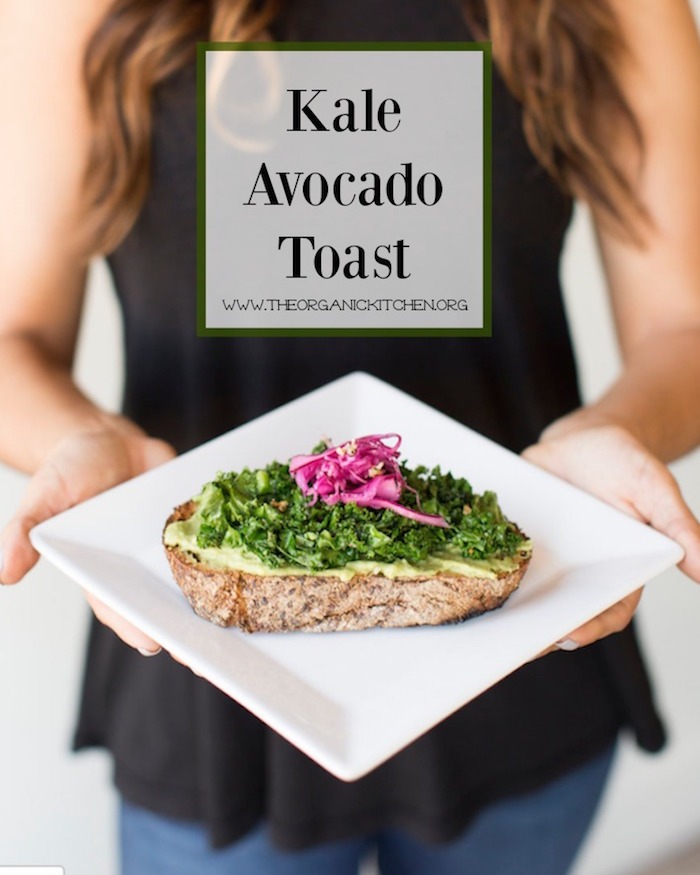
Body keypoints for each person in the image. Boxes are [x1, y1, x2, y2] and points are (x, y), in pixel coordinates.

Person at [1, 0, 699, 873]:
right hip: (208, 685)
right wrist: (85, 440)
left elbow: (682, 325)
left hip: (519, 654)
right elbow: (11, 336)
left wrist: (614, 430)